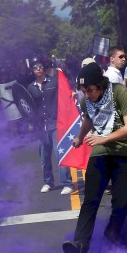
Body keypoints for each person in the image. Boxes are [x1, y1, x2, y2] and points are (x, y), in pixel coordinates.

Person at [62, 62, 127, 253]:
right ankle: (80, 245)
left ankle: (112, 234)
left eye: (90, 90)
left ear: (101, 84)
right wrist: (79, 138)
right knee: (90, 201)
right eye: (83, 91)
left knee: (121, 203)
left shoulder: (119, 92)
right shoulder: (87, 101)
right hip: (100, 153)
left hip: (123, 153)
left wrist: (104, 138)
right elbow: (88, 118)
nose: (86, 94)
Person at [27, 59, 74, 195]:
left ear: (44, 68)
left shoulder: (54, 81)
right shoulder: (31, 88)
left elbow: (65, 92)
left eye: (40, 67)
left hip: (55, 123)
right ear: (33, 70)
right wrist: (31, 122)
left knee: (60, 154)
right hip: (41, 126)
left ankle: (67, 183)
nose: (38, 69)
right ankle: (48, 182)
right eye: (35, 67)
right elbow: (29, 107)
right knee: (44, 157)